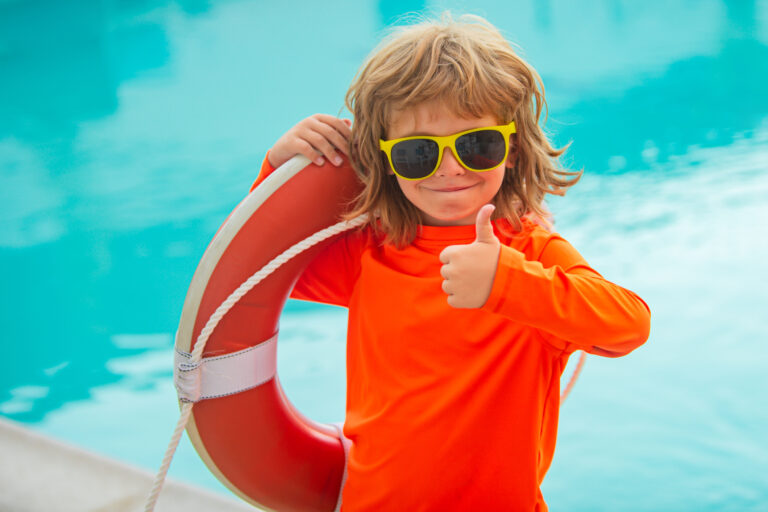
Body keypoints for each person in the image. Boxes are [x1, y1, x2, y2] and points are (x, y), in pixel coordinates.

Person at [251, 14, 650, 512]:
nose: (450, 167)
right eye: (419, 153)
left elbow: (629, 324)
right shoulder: (368, 254)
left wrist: (506, 282)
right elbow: (259, 273)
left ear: (513, 148)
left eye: (477, 145)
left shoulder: (532, 255)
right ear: (385, 159)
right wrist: (279, 169)